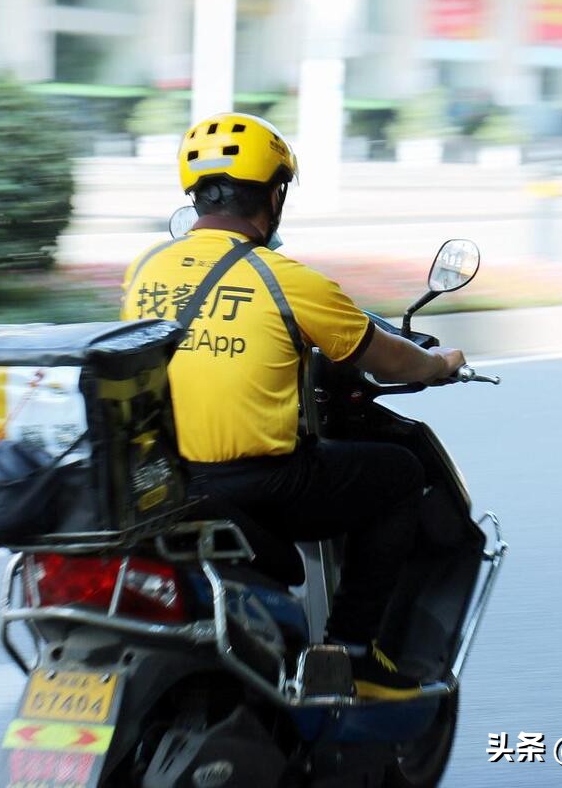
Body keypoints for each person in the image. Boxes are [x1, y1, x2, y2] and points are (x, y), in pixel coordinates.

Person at [120, 112, 466, 700]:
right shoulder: (287, 279)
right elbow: (389, 359)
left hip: (166, 482)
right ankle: (353, 652)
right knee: (400, 474)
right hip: (257, 484)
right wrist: (439, 364)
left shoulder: (145, 269)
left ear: (197, 195)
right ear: (274, 195)